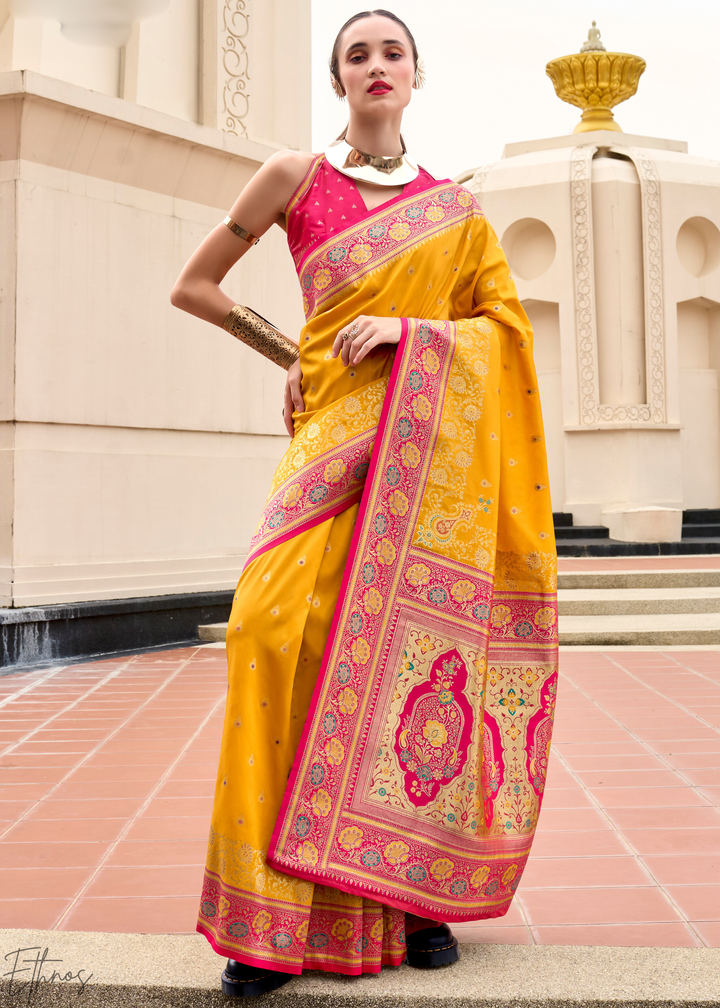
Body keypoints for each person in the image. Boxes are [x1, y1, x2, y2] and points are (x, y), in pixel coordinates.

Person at [171, 9, 558, 998]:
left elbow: (504, 340)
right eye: (357, 55)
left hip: (425, 466)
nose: (376, 66)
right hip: (326, 448)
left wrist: (412, 333)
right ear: (338, 79)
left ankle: (413, 897)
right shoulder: (295, 177)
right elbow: (197, 285)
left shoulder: (457, 212)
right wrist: (290, 357)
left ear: (416, 77)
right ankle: (264, 921)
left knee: (412, 655)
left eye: (393, 52)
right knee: (266, 634)